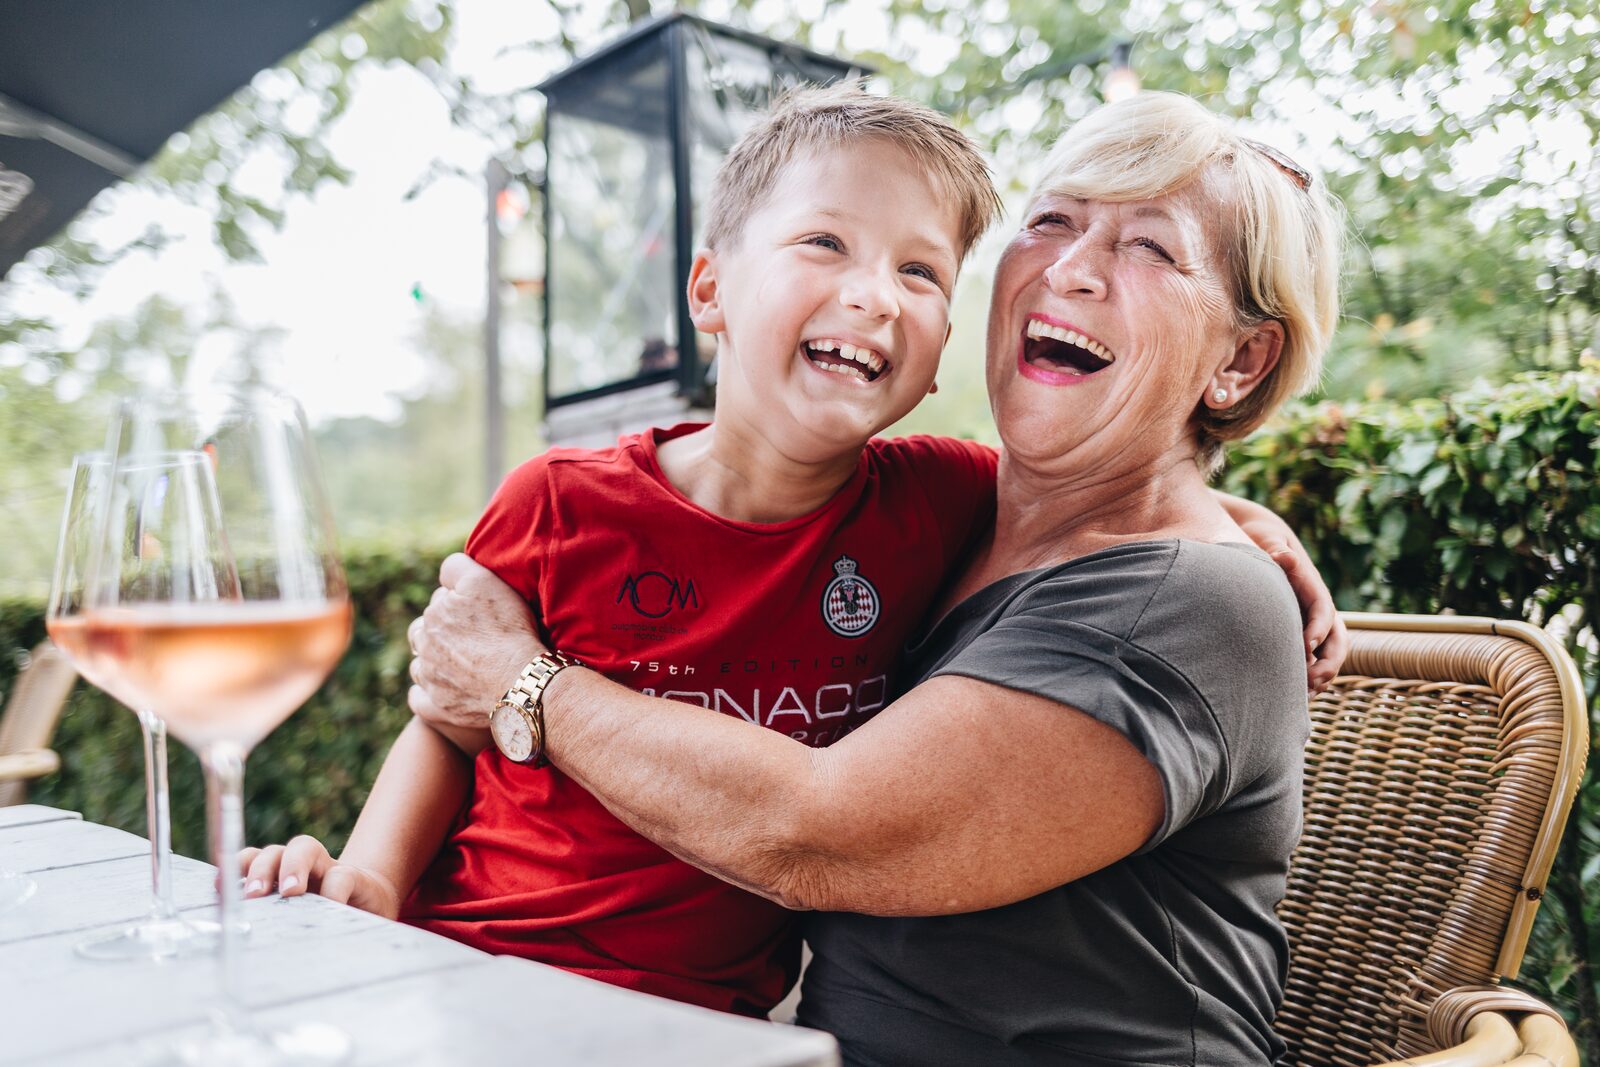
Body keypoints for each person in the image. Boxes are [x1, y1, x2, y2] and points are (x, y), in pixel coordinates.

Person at [244, 86, 1342, 1039]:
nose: (1073, 268)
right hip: (516, 973)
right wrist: (371, 879)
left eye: (1148, 245)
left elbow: (817, 830)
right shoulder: (963, 516)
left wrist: (518, 681)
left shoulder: (1079, 551)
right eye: (1050, 221)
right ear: (710, 287)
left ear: (1242, 360)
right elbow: (444, 718)